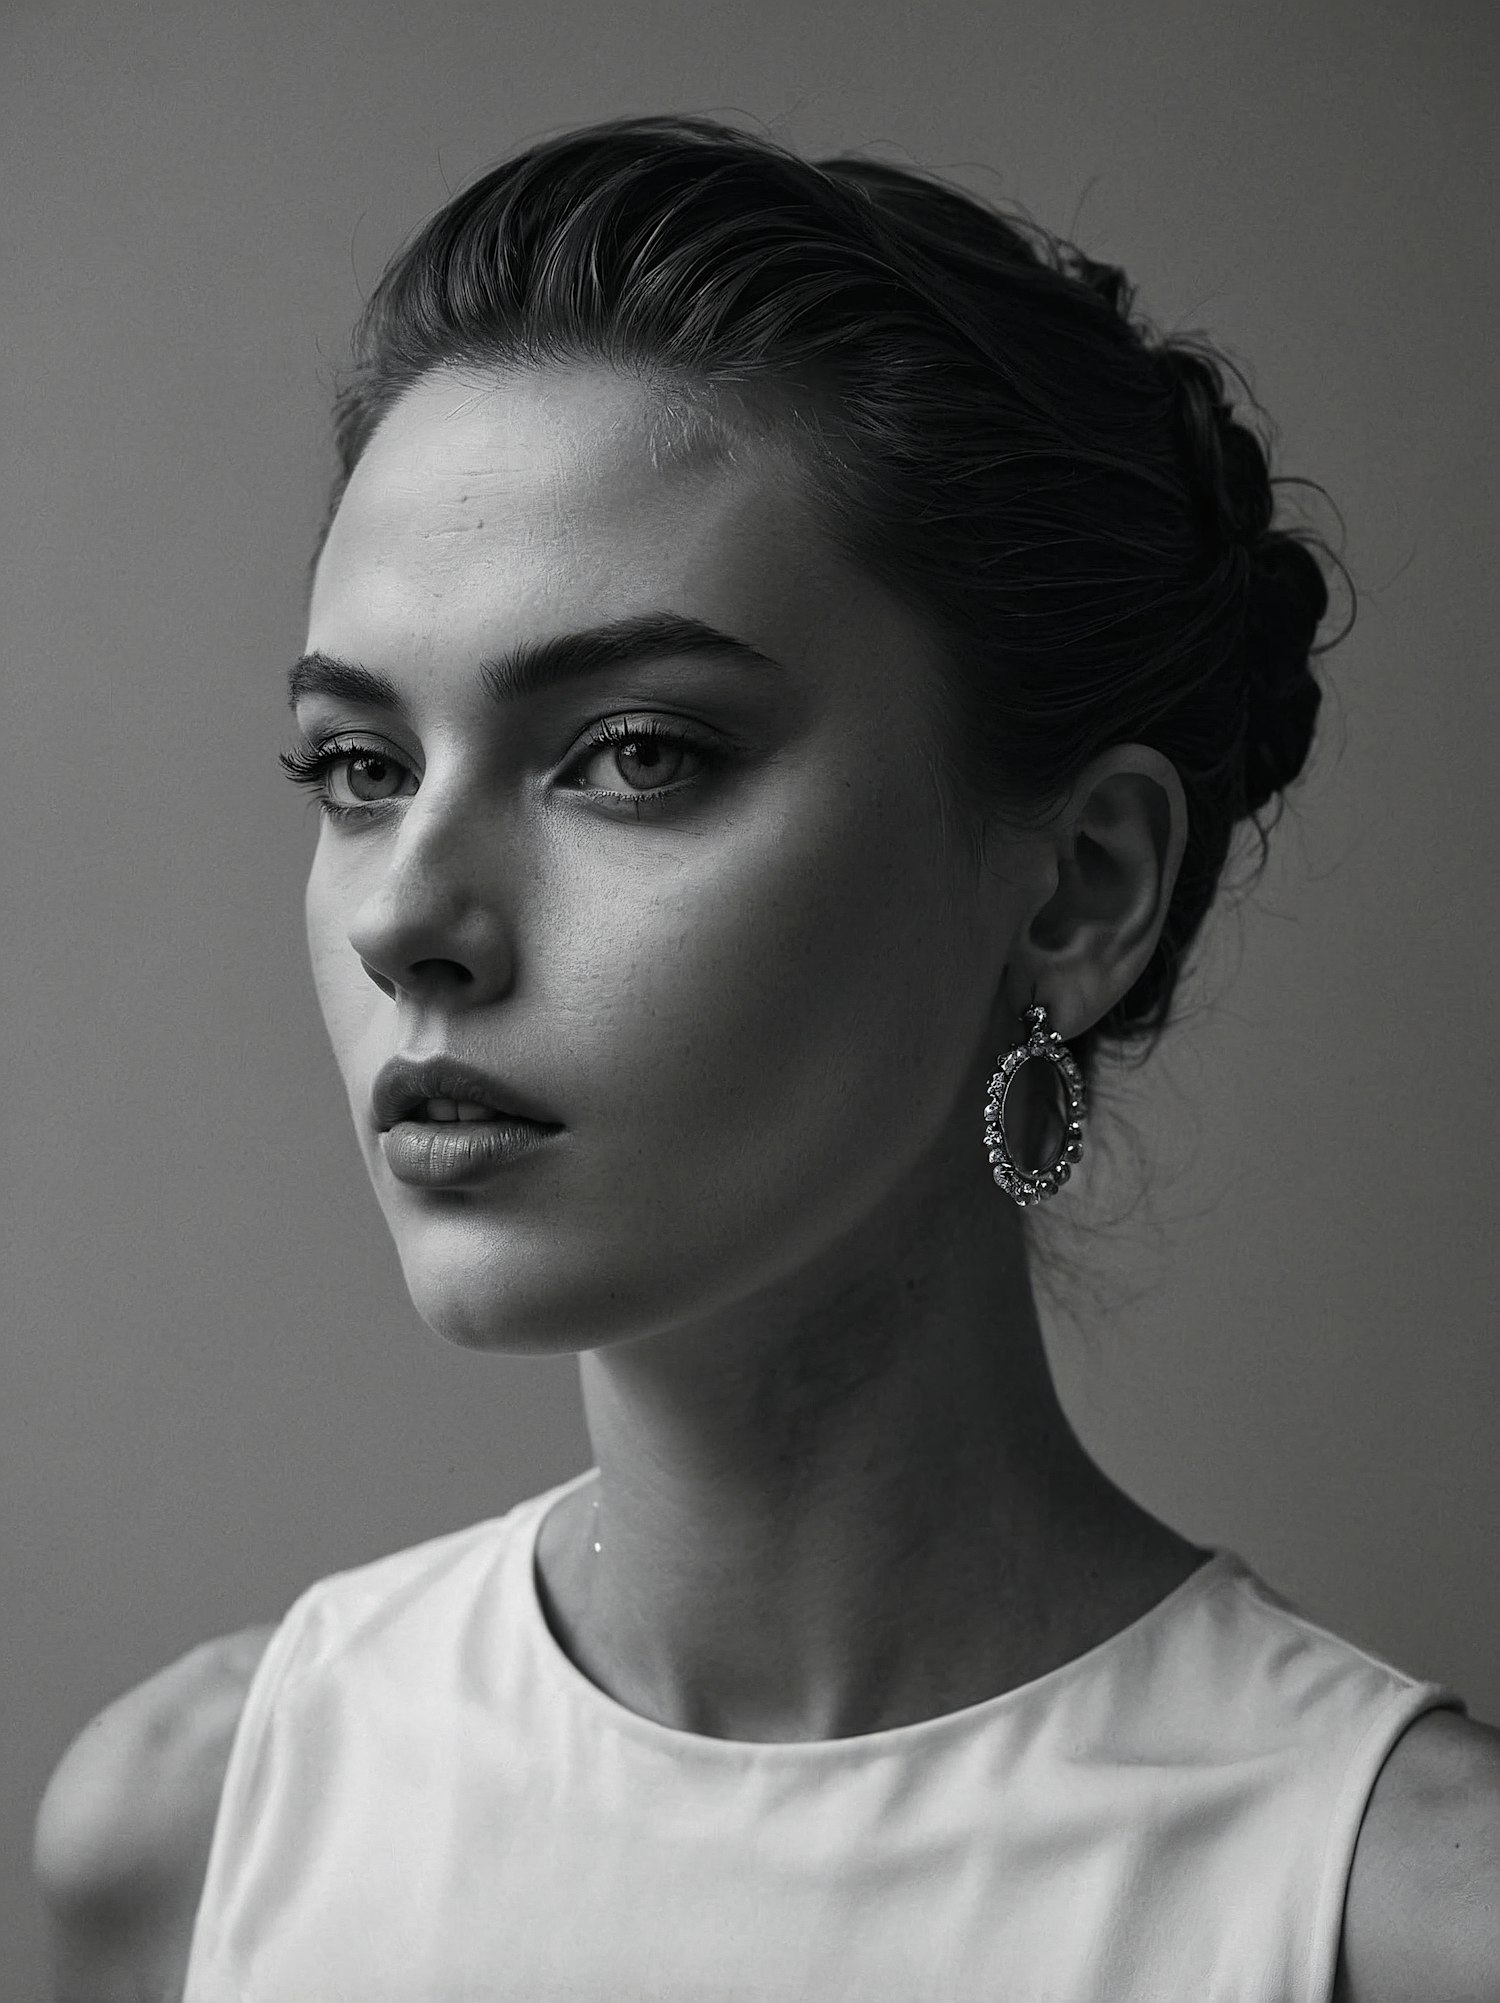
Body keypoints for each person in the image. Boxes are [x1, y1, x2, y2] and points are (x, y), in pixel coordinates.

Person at [32, 114, 1500, 2003]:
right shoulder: (191, 1835)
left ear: (1082, 885)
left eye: (637, 752)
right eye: (360, 768)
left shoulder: (1407, 1922)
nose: (411, 914)